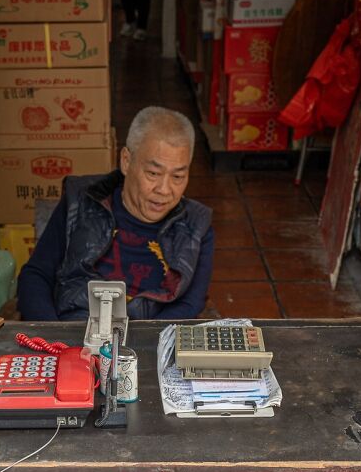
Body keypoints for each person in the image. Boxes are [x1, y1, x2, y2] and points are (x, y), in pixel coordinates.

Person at [17, 107, 214, 322]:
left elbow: (190, 303)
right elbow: (36, 275)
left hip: (147, 339)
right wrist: (55, 341)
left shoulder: (197, 225)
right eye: (153, 173)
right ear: (126, 161)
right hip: (74, 332)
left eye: (177, 176)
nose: (165, 190)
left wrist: (143, 343)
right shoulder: (81, 200)